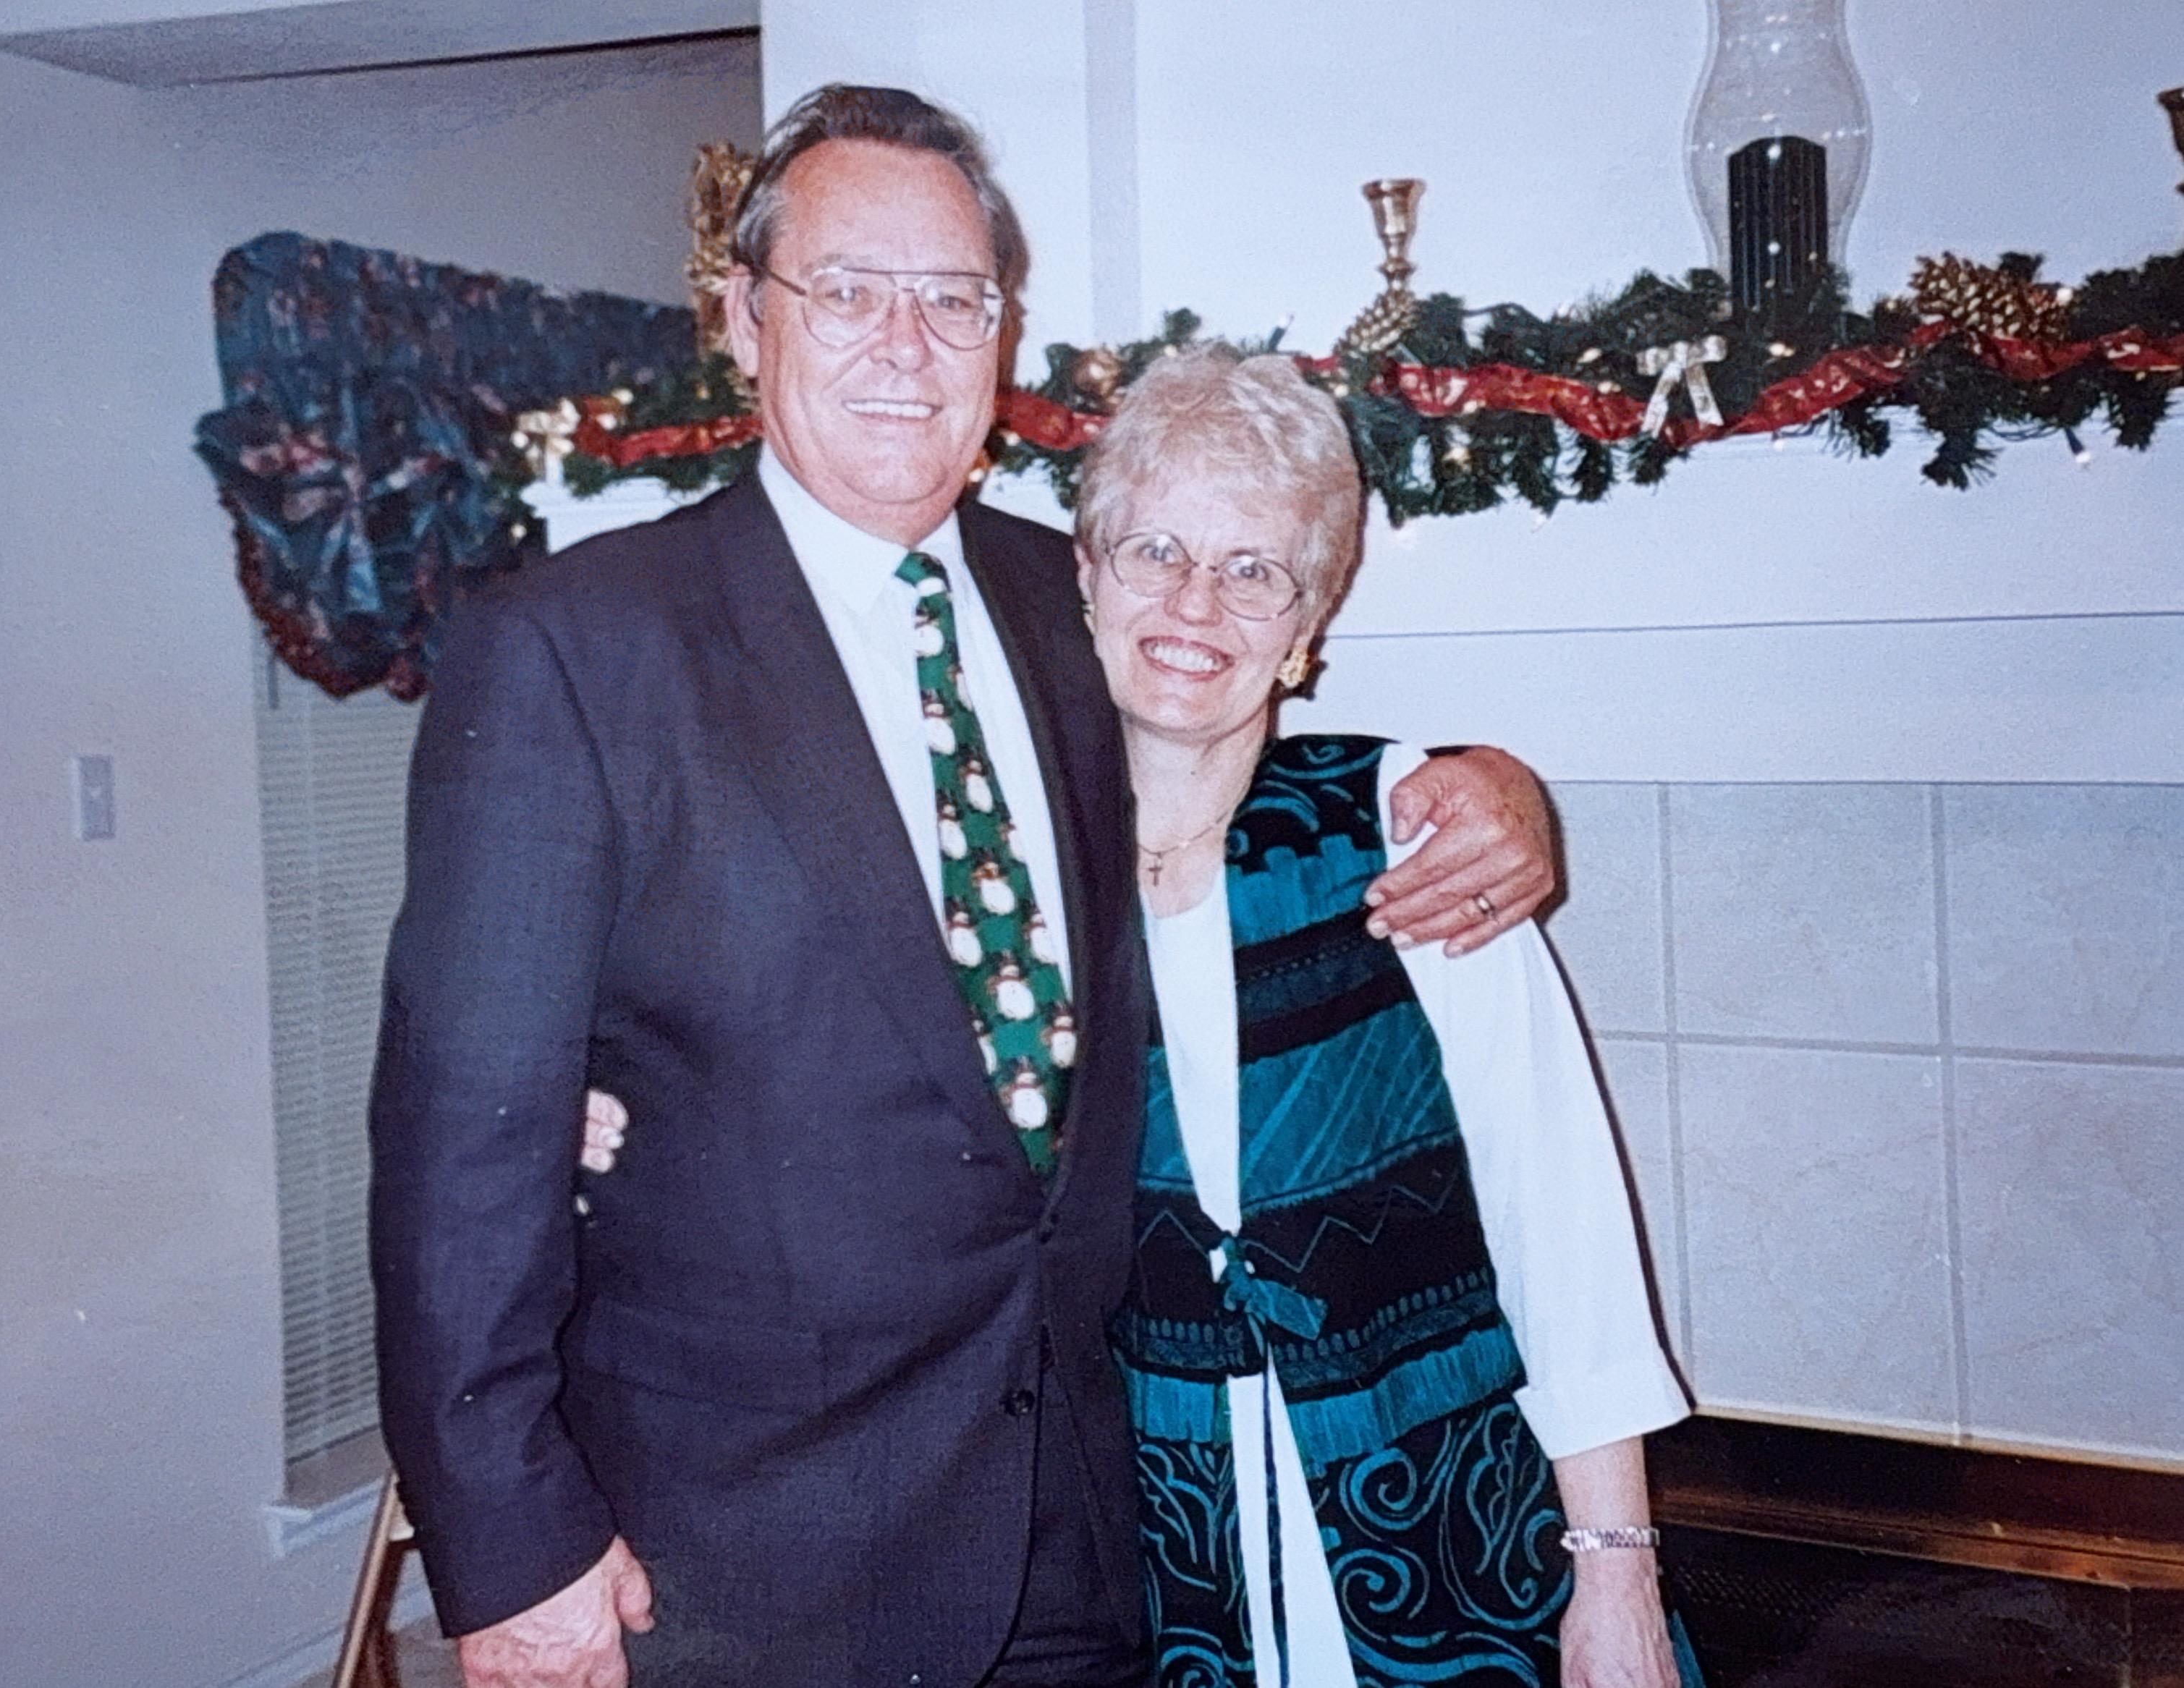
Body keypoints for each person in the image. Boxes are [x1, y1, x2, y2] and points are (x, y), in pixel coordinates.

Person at [366, 85, 1558, 1688]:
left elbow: (1230, 731)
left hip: (1081, 1527)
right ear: (745, 321)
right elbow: (459, 1147)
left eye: (953, 301)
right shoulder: (577, 651)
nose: (904, 345)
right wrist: (513, 1554)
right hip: (737, 1568)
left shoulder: (1069, 597)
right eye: (847, 291)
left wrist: (1484, 782)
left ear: (1001, 337)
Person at [1082, 347, 1693, 1688]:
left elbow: (1558, 1203)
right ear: (1088, 577)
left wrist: (1617, 1571)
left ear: (1307, 627)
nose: (1196, 602)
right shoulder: (1024, 876)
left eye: (1255, 569)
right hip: (1149, 1550)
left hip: (1450, 1522)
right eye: (1156, 550)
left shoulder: (1400, 824)